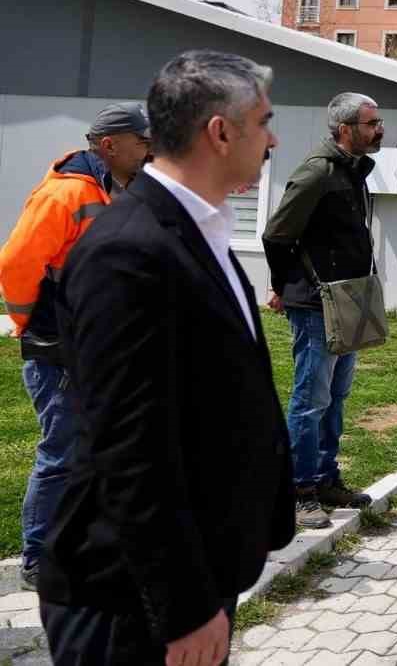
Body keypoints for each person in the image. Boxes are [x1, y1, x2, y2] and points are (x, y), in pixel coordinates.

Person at [38, 51, 293, 666]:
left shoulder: (199, 231)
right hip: (129, 602)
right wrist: (184, 608)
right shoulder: (127, 251)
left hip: (194, 574)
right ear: (221, 132)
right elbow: (129, 449)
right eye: (264, 121)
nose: (273, 138)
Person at [0, 103, 151, 590]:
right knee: (62, 454)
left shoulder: (117, 191)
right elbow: (17, 263)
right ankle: (38, 558)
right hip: (61, 353)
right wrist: (30, 323)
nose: (151, 149)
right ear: (110, 145)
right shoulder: (66, 194)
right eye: (143, 141)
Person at [261, 91, 384, 529]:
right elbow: (277, 236)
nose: (379, 129)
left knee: (336, 395)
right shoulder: (317, 172)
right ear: (345, 129)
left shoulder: (350, 170)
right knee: (310, 400)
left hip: (348, 298)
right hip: (317, 304)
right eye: (370, 123)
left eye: (378, 122)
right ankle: (300, 492)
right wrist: (283, 285)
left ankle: (327, 478)